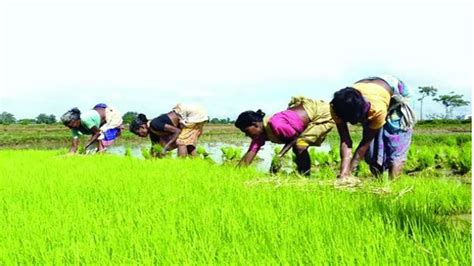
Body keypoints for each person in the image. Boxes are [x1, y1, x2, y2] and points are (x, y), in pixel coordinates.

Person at [330, 75, 416, 183]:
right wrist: (344, 173)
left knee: (395, 148)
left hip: (397, 94)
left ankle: (392, 187)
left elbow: (365, 142)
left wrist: (349, 171)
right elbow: (345, 141)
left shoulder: (376, 109)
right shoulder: (336, 107)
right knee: (372, 153)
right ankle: (379, 183)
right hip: (371, 91)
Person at [235, 96, 335, 175]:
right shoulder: (259, 135)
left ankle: (305, 176)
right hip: (309, 116)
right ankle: (302, 175)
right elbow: (249, 155)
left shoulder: (276, 124)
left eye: (246, 131)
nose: (246, 135)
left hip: (321, 113)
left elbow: (295, 137)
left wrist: (279, 156)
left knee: (300, 145)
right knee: (298, 147)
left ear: (255, 125)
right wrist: (235, 174)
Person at [129, 104, 208, 157]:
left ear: (142, 127)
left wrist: (165, 148)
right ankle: (197, 164)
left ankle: (182, 166)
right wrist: (151, 159)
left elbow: (177, 131)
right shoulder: (152, 132)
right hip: (194, 115)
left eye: (138, 133)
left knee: (181, 141)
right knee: (188, 145)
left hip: (193, 115)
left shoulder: (154, 124)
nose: (139, 136)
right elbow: (154, 147)